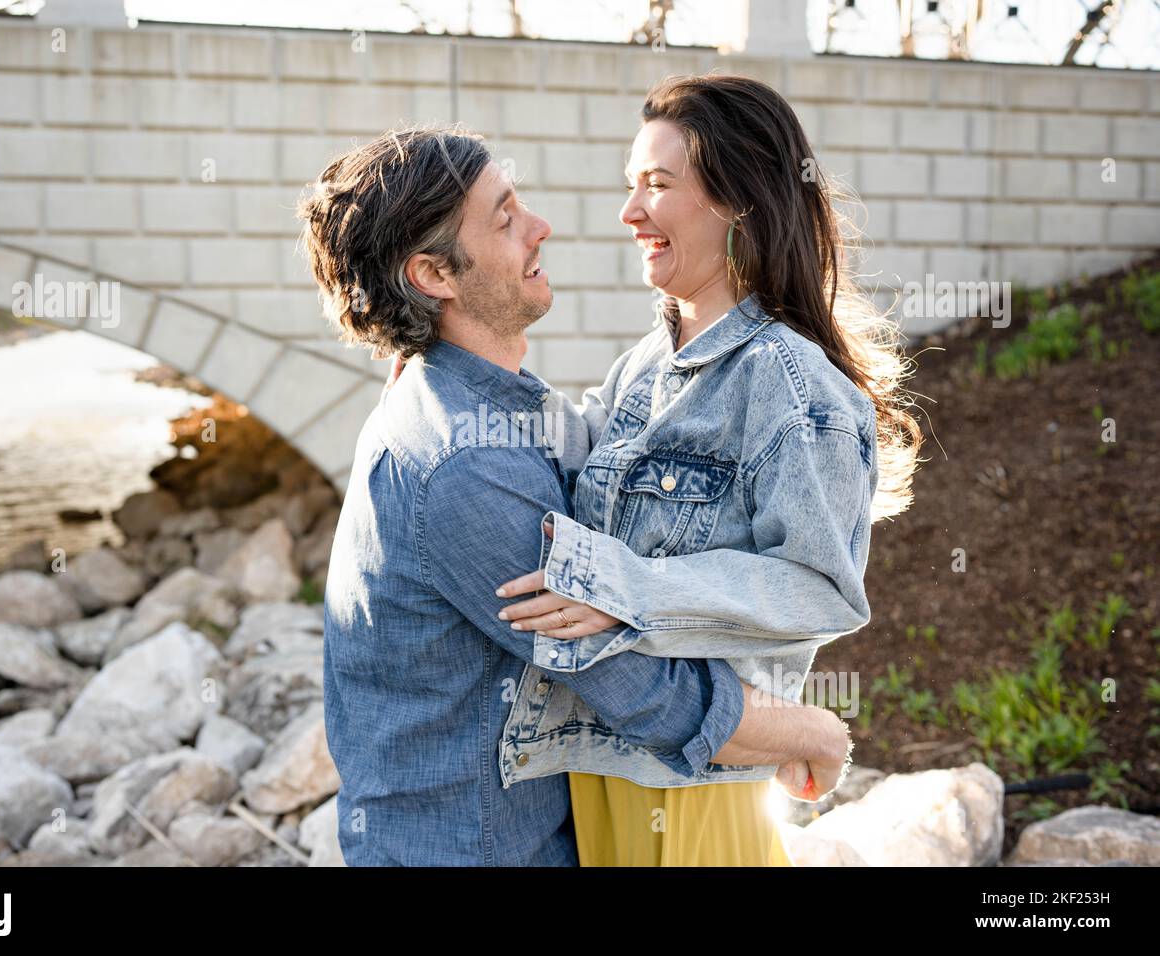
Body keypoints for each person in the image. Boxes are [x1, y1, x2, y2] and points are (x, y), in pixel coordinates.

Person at [297, 123, 851, 866]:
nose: (539, 227)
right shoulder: (463, 463)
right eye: (505, 216)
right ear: (434, 275)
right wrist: (811, 732)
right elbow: (640, 689)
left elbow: (607, 456)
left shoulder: (479, 410)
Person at [493, 74, 922, 866]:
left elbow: (820, 589)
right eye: (631, 186)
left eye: (658, 186)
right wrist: (440, 370)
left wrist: (627, 591)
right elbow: (550, 458)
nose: (630, 213)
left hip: (696, 789)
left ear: (738, 200)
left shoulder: (797, 392)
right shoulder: (642, 368)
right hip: (594, 766)